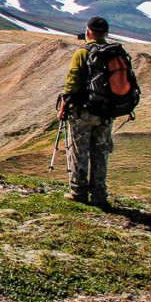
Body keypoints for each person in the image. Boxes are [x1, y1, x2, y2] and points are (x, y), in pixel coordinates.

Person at [59, 16, 113, 205]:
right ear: (106, 33)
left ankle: (78, 192)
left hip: (83, 111)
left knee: (80, 151)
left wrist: (65, 107)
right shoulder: (113, 53)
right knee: (101, 151)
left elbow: (72, 82)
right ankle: (99, 194)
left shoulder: (82, 53)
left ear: (88, 31)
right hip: (106, 112)